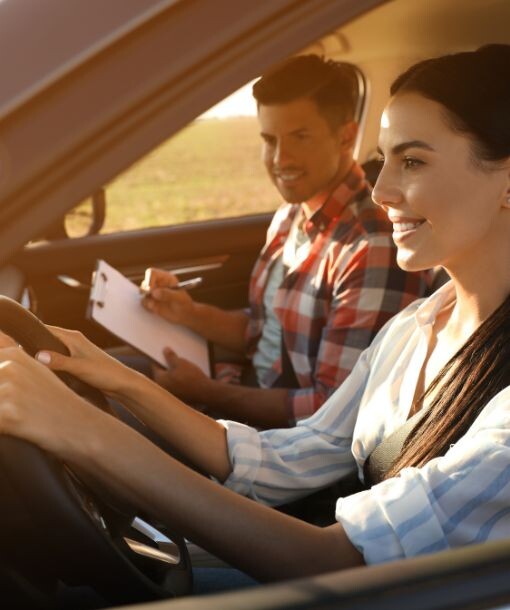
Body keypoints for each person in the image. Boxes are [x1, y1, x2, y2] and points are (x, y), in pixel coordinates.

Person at [0, 44, 509, 587]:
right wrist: (116, 378)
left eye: (413, 161)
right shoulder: (418, 325)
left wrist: (83, 431)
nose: (380, 191)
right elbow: (291, 454)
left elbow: (331, 563)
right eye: (384, 159)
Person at [139, 55, 427, 429]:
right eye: (269, 139)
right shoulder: (292, 215)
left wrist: (206, 393)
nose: (280, 158)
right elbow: (266, 332)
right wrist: (188, 314)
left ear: (346, 137)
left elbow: (333, 410)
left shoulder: (370, 246)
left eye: (299, 137)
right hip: (246, 393)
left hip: (288, 444)